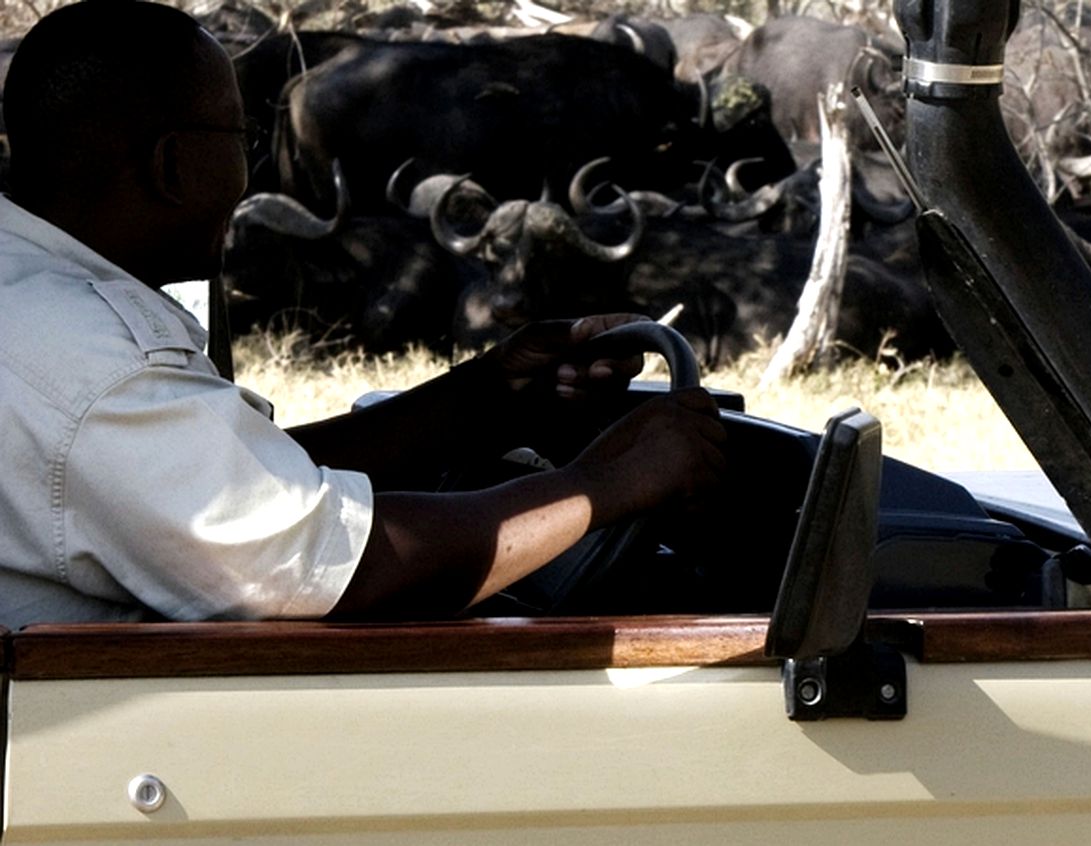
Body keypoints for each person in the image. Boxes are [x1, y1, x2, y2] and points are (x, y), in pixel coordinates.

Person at [0, 0, 727, 628]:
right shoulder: (89, 363)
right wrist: (612, 482)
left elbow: (261, 481)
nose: (250, 168)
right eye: (243, 141)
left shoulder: (35, 302)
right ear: (171, 165)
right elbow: (348, 568)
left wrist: (491, 391)